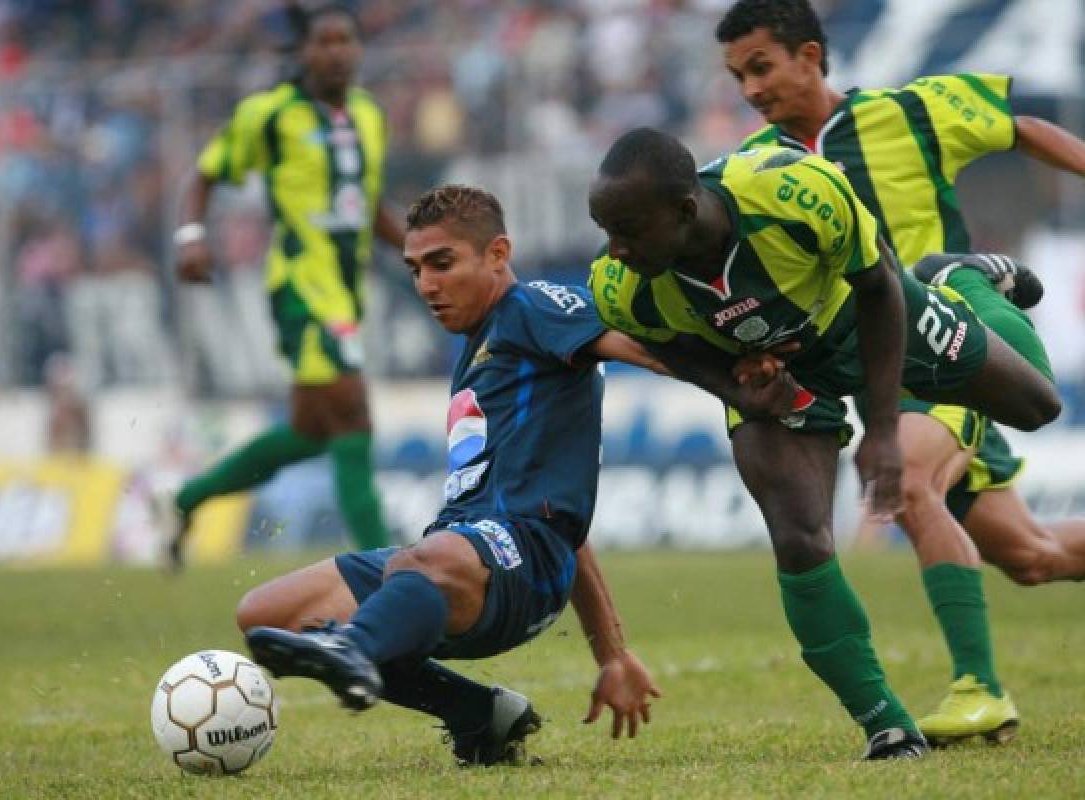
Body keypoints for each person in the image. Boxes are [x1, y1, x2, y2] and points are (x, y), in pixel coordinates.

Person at [586, 129, 1061, 759]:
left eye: (627, 228)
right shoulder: (621, 286)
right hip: (781, 375)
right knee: (799, 536)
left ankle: (966, 281)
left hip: (863, 319)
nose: (614, 248)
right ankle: (886, 726)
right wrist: (737, 389)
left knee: (1037, 406)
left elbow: (879, 284)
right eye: (605, 229)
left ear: (684, 209)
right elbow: (667, 346)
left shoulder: (792, 193)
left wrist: (886, 431)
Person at [714, 0, 1085, 745]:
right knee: (1033, 557)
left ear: (811, 56)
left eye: (762, 66)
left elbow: (1021, 126)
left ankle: (980, 689)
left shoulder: (911, 109)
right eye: (737, 76)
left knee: (909, 481)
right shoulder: (755, 170)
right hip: (875, 375)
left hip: (951, 344)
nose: (750, 89)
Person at [238, 185, 664, 765]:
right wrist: (612, 656)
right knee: (267, 614)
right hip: (467, 553)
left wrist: (741, 375)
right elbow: (570, 518)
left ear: (497, 253)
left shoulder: (532, 308)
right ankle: (478, 715)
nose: (426, 286)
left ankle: (354, 648)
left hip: (520, 566)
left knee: (422, 563)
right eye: (415, 269)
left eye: (442, 264)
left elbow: (643, 348)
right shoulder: (480, 349)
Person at [163, 4, 405, 568]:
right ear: (301, 51)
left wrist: (420, 254)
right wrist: (191, 237)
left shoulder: (369, 115)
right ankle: (389, 572)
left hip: (346, 292)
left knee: (311, 431)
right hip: (300, 287)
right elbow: (204, 174)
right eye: (324, 41)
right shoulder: (270, 115)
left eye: (347, 40)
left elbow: (366, 207)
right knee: (353, 416)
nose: (337, 51)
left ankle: (184, 499)